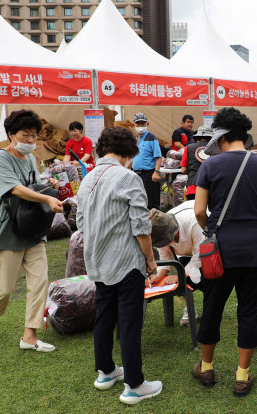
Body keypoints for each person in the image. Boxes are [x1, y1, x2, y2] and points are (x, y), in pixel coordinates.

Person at [192, 107, 257, 398]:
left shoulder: (210, 166)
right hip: (255, 251)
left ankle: (206, 367)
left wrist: (213, 231)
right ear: (245, 136)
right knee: (247, 311)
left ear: (220, 136)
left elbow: (198, 210)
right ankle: (242, 376)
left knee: (212, 307)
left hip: (220, 251)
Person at [77, 126, 162, 406]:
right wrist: (150, 260)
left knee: (104, 316)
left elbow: (80, 224)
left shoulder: (87, 178)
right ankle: (135, 385)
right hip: (127, 263)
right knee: (129, 322)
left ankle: (105, 372)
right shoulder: (128, 177)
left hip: (97, 260)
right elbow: (140, 225)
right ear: (129, 153)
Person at [0, 110, 63, 352]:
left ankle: (30, 335)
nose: (30, 140)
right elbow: (15, 189)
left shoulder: (31, 159)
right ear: (11, 135)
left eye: (34, 136)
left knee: (39, 281)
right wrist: (47, 200)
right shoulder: (1, 158)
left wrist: (48, 185)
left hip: (32, 228)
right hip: (6, 231)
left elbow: (31, 186)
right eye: (25, 135)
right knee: (3, 289)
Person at [151, 202, 204, 326]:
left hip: (206, 247)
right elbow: (165, 255)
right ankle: (190, 309)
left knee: (207, 278)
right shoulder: (159, 228)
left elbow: (199, 257)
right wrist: (158, 275)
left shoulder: (194, 222)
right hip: (185, 252)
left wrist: (178, 275)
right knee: (182, 279)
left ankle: (211, 307)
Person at [131, 113, 163, 210]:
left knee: (151, 202)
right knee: (137, 200)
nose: (140, 126)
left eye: (143, 124)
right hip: (136, 174)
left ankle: (154, 223)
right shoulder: (134, 139)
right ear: (134, 125)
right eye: (138, 124)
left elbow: (159, 157)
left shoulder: (151, 137)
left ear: (147, 124)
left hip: (149, 174)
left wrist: (156, 172)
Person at [180, 125, 212, 201]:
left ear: (197, 137)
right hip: (212, 187)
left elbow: (183, 170)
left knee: (193, 211)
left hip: (193, 187)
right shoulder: (217, 148)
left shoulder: (189, 147)